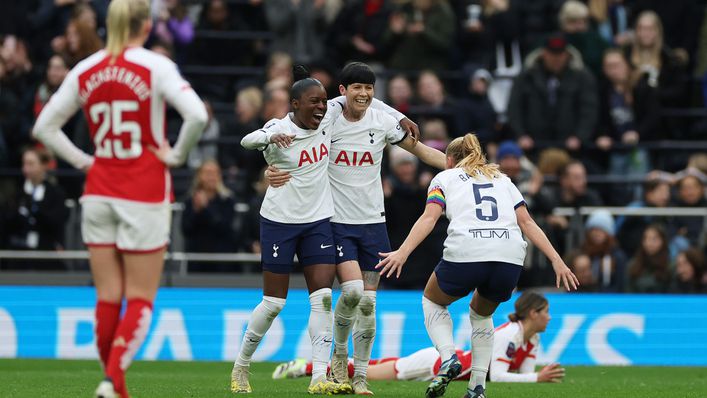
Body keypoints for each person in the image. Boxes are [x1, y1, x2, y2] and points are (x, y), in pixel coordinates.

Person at [31, 1, 208, 397]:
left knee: (107, 296)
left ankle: (116, 385)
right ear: (145, 26)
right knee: (141, 297)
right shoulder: (155, 65)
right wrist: (176, 156)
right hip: (143, 190)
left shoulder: (86, 68)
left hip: (98, 190)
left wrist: (85, 161)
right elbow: (197, 115)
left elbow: (44, 126)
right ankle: (112, 381)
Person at [266, 62, 438, 395]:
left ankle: (359, 376)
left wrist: (459, 166)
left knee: (369, 306)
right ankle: (340, 354)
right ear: (342, 92)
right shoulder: (326, 113)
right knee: (355, 293)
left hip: (373, 223)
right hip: (336, 222)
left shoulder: (382, 119)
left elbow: (419, 150)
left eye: (369, 88)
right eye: (356, 88)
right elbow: (284, 132)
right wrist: (269, 170)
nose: (363, 94)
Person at [376, 134, 578, 398]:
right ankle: (477, 388)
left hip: (468, 250)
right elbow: (527, 223)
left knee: (432, 301)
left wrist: (402, 252)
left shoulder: (444, 178)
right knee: (482, 315)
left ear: (449, 160)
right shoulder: (503, 180)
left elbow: (429, 218)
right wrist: (557, 260)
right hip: (509, 256)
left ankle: (448, 357)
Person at [231, 67, 350, 395]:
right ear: (294, 104)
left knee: (323, 299)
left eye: (324, 101)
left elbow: (360, 98)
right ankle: (241, 365)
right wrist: (271, 138)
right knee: (273, 303)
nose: (321, 107)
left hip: (318, 221)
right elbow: (247, 140)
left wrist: (398, 118)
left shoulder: (326, 119)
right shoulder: (278, 127)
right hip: (279, 222)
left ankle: (319, 378)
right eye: (314, 101)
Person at [273, 291, 565, 384]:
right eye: (546, 312)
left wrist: (534, 378)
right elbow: (499, 376)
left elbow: (523, 375)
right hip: (436, 364)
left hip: (442, 365)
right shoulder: (510, 336)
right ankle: (308, 367)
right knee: (372, 373)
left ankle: (311, 366)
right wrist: (537, 379)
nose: (550, 318)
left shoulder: (530, 340)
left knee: (379, 365)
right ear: (532, 313)